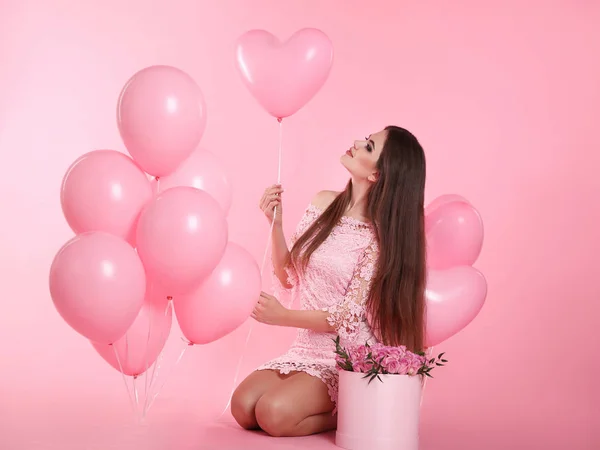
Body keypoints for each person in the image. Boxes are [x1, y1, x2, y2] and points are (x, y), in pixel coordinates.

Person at [231, 126, 427, 437]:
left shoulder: (379, 238)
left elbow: (348, 318)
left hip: (346, 356)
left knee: (274, 414)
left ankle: (359, 407)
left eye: (368, 147)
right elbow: (288, 274)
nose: (356, 143)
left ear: (377, 174)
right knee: (242, 407)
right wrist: (275, 224)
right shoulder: (323, 202)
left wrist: (282, 317)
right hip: (304, 348)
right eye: (365, 138)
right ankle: (347, 405)